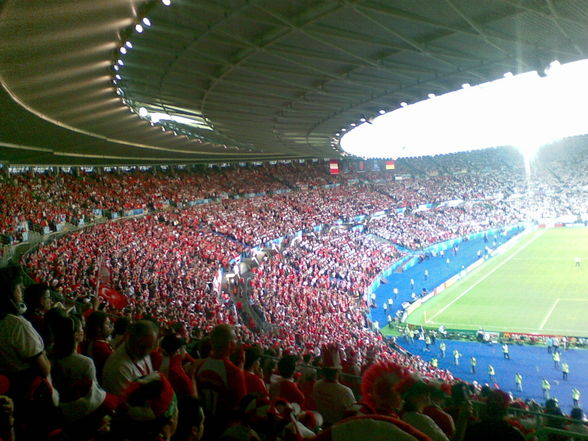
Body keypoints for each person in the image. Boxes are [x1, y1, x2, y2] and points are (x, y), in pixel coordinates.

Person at [192, 324, 246, 440]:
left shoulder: (198, 365)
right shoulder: (234, 373)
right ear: (231, 345)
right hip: (222, 430)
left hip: (201, 425)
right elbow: (241, 407)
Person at [102, 320, 158, 395]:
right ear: (130, 338)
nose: (146, 352)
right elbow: (126, 403)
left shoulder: (141, 350)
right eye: (142, 347)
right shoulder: (119, 367)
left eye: (150, 348)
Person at [312, 346, 355, 427]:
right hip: (338, 427)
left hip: (321, 424)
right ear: (338, 371)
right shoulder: (345, 392)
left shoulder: (316, 385)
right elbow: (353, 414)